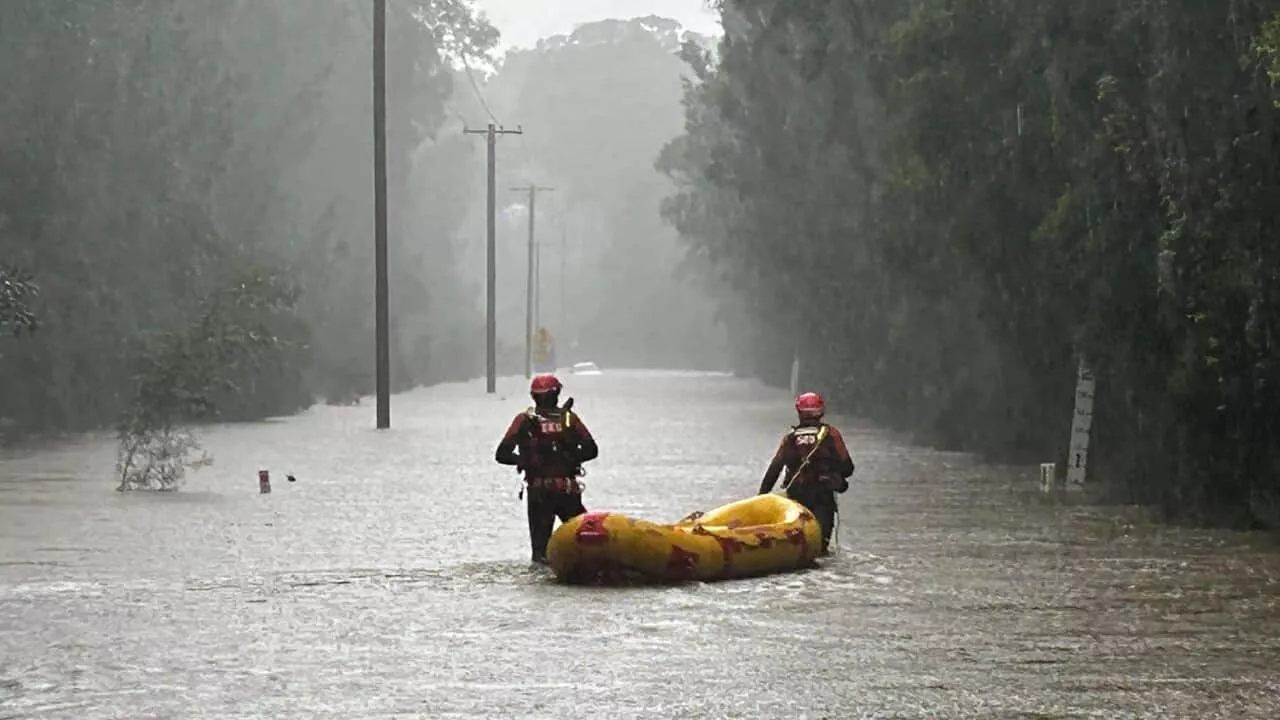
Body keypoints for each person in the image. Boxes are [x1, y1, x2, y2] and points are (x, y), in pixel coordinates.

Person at [495, 374, 599, 564]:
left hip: (539, 492)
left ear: (533, 396)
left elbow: (502, 454)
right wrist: (570, 459)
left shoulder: (524, 420)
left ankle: (543, 584)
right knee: (586, 540)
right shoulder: (568, 419)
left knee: (540, 551)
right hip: (567, 490)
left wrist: (524, 461)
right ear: (557, 393)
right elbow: (591, 450)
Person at [757, 391, 855, 555]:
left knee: (797, 545)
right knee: (820, 548)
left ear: (799, 412)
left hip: (796, 496)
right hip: (822, 496)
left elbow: (774, 468)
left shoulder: (790, 438)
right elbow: (848, 467)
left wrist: (761, 497)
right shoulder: (830, 434)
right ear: (821, 411)